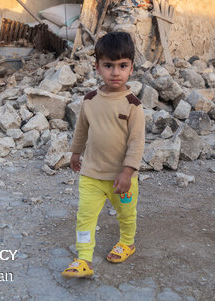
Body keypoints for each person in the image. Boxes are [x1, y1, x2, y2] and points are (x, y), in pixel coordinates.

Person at [61, 31, 145, 279]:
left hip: (122, 179)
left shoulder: (133, 105)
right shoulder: (89, 100)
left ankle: (127, 242)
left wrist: (128, 172)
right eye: (108, 65)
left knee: (126, 214)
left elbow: (137, 142)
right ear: (97, 67)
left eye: (122, 66)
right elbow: (82, 129)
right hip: (92, 175)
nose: (115, 72)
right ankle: (83, 258)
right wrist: (76, 152)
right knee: (85, 216)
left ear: (131, 68)